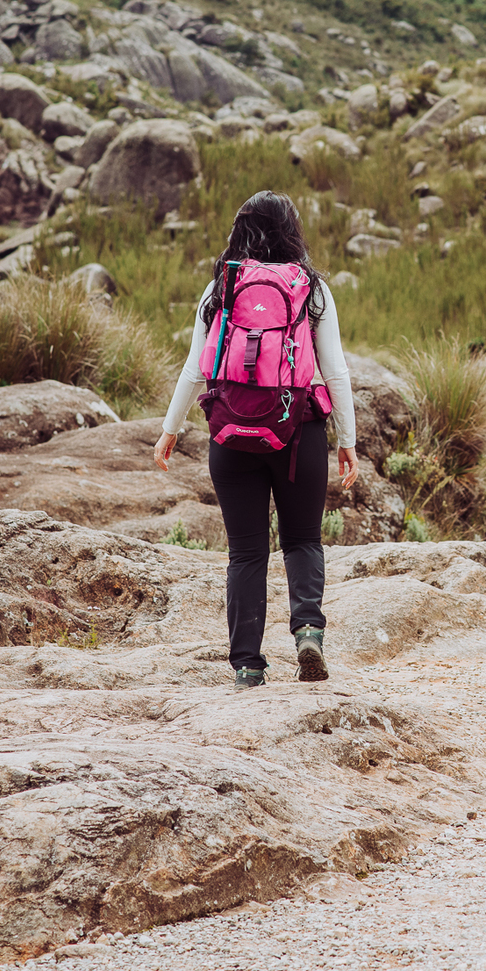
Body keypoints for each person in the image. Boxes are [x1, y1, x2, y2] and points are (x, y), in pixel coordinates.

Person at [154, 191, 358, 689]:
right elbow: (335, 371)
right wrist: (347, 440)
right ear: (292, 230)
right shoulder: (312, 289)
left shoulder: (221, 285)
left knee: (245, 552)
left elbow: (194, 369)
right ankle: (308, 630)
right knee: (303, 539)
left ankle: (247, 664)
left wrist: (170, 429)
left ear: (240, 230)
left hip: (230, 433)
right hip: (297, 432)